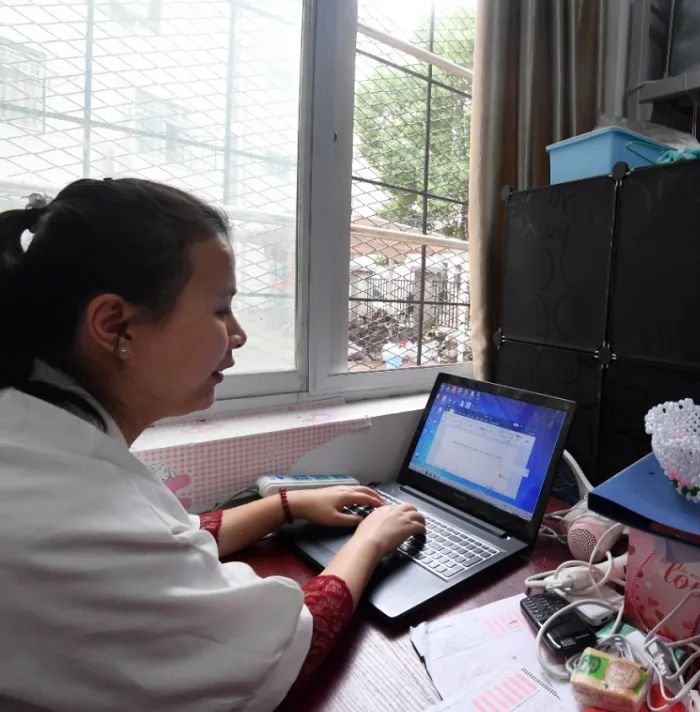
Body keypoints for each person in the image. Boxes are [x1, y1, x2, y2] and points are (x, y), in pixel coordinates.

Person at [0, 178, 426, 710]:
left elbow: (162, 541)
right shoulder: (71, 510)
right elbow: (282, 653)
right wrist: (371, 541)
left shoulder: (36, 435)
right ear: (116, 325)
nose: (238, 334)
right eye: (221, 309)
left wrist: (284, 506)